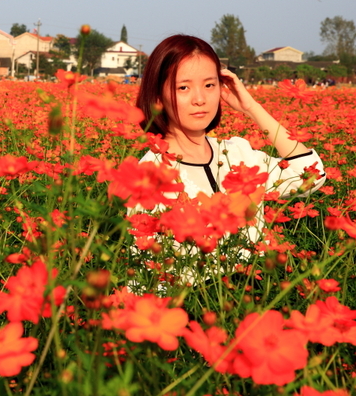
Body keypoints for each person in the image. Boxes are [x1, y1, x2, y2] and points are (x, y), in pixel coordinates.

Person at [133, 35, 326, 254]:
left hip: (256, 282)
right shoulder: (149, 175)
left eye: (209, 85)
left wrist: (251, 107)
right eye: (183, 88)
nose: (200, 99)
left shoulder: (237, 154)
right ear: (158, 95)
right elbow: (148, 268)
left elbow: (313, 176)